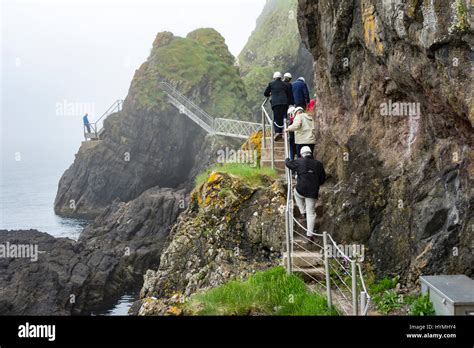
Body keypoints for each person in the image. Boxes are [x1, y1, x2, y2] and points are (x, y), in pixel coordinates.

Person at [285, 146, 326, 240]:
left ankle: (303, 212)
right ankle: (309, 235)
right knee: (311, 213)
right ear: (310, 153)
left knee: (295, 193)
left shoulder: (299, 161)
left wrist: (287, 159)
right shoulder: (318, 164)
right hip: (313, 191)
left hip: (301, 189)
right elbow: (323, 179)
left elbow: (288, 164)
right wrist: (316, 183)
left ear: (301, 154)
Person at [264, 71, 293, 141]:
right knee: (284, 117)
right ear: (280, 77)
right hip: (284, 103)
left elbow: (265, 93)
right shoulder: (284, 84)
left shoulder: (271, 84)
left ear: (274, 78)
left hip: (276, 104)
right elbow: (289, 94)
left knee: (277, 118)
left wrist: (270, 94)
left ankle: (277, 132)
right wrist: (290, 103)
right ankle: (284, 132)